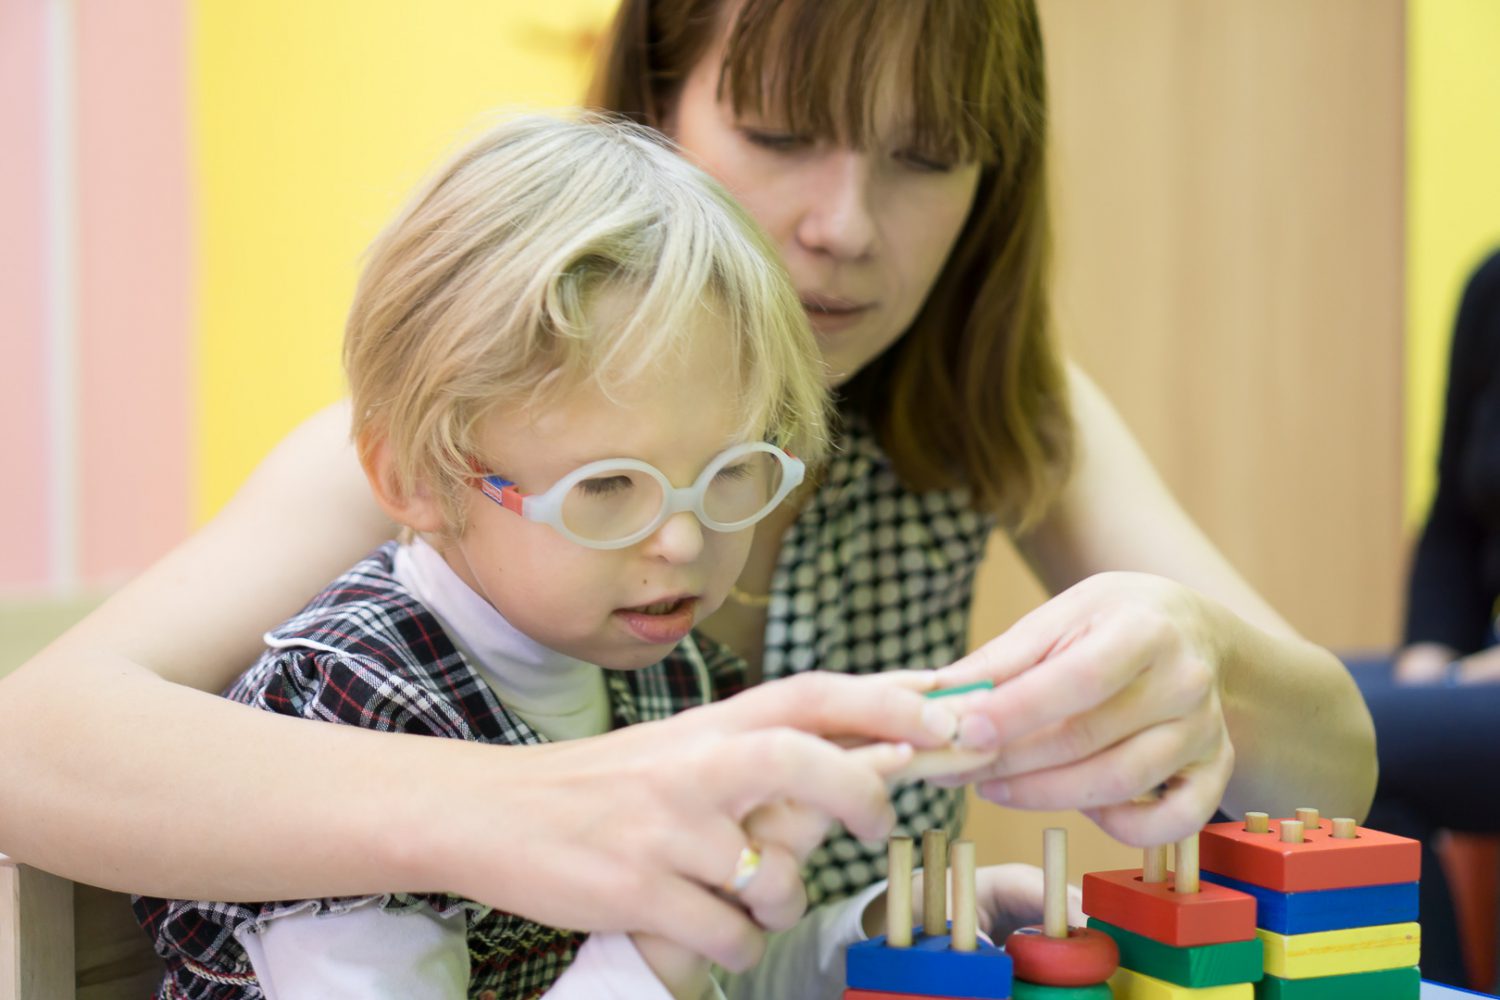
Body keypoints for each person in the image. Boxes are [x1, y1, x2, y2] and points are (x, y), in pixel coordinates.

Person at [0, 0, 1376, 974]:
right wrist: (546, 812)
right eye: (782, 132)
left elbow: (1338, 767)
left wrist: (1208, 669)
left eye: (926, 156)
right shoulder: (457, 445)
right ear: (658, 100)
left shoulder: (1002, 411)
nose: (843, 227)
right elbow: (34, 742)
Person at [130, 113, 945, 1000]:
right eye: (605, 487)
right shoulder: (350, 713)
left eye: (731, 471)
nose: (682, 539)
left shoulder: (672, 680)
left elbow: (712, 981)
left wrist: (880, 933)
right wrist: (652, 955)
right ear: (421, 481)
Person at [1350, 247, 1500, 987]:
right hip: (1483, 666)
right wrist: (1428, 661)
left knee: (1353, 738)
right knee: (1276, 714)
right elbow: (1453, 523)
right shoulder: (1493, 287)